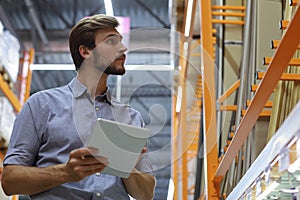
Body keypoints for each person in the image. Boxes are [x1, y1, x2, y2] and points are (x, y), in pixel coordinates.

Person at [1, 14, 156, 200]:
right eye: (111, 41)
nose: (123, 48)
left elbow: (146, 194)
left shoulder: (131, 117)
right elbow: (10, 181)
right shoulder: (41, 105)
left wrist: (125, 164)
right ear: (86, 51)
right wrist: (65, 173)